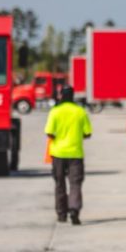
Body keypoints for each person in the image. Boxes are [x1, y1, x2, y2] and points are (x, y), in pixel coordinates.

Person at [44, 85, 92, 224]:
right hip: (75, 154)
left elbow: (49, 133)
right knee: (75, 183)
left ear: (61, 95)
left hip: (58, 154)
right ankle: (74, 210)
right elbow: (87, 133)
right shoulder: (80, 111)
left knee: (59, 184)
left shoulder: (55, 112)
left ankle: (61, 214)